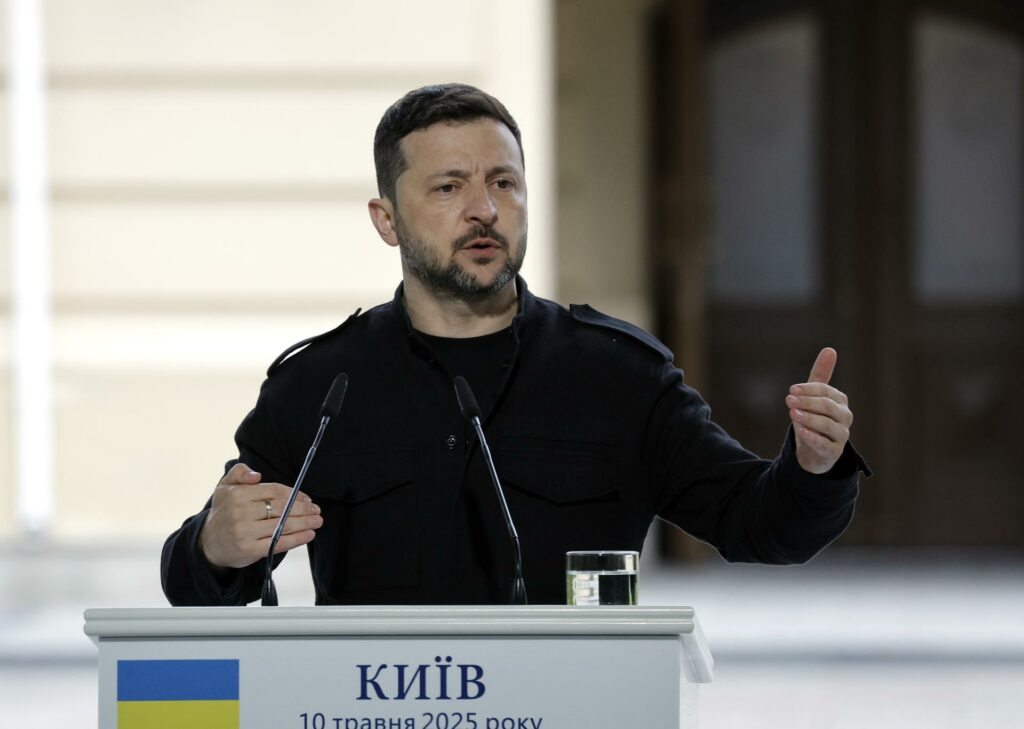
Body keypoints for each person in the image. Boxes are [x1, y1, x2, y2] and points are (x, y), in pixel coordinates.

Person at [161, 83, 869, 606]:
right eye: (448, 187)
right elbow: (197, 579)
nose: (484, 210)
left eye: (504, 182)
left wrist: (813, 467)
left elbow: (762, 526)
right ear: (387, 219)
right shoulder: (322, 385)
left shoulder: (618, 376)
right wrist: (215, 548)